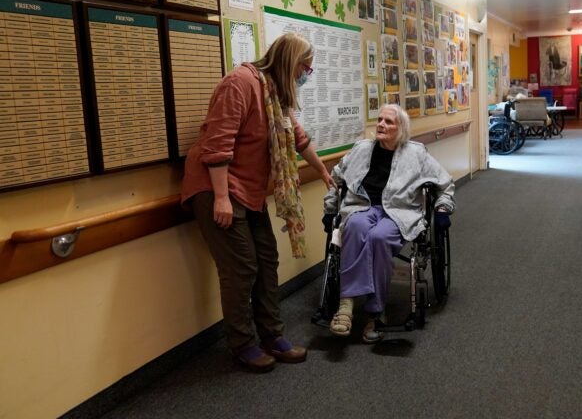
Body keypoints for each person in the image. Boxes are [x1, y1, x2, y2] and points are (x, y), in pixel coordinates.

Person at [181, 33, 334, 373]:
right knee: (241, 268)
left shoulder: (274, 95)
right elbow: (217, 145)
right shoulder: (240, 83)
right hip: (215, 188)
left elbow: (297, 137)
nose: (305, 75)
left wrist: (323, 171)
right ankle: (242, 344)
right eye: (304, 68)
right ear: (288, 62)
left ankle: (272, 336)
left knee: (266, 259)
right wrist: (221, 197)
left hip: (248, 192)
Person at [322, 104, 455, 343]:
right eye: (380, 120)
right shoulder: (361, 148)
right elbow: (336, 178)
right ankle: (346, 305)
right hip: (361, 207)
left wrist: (443, 209)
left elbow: (445, 185)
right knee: (354, 226)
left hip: (398, 212)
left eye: (388, 122)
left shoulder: (416, 154)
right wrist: (330, 208)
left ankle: (375, 311)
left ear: (401, 128)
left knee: (378, 238)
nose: (381, 125)